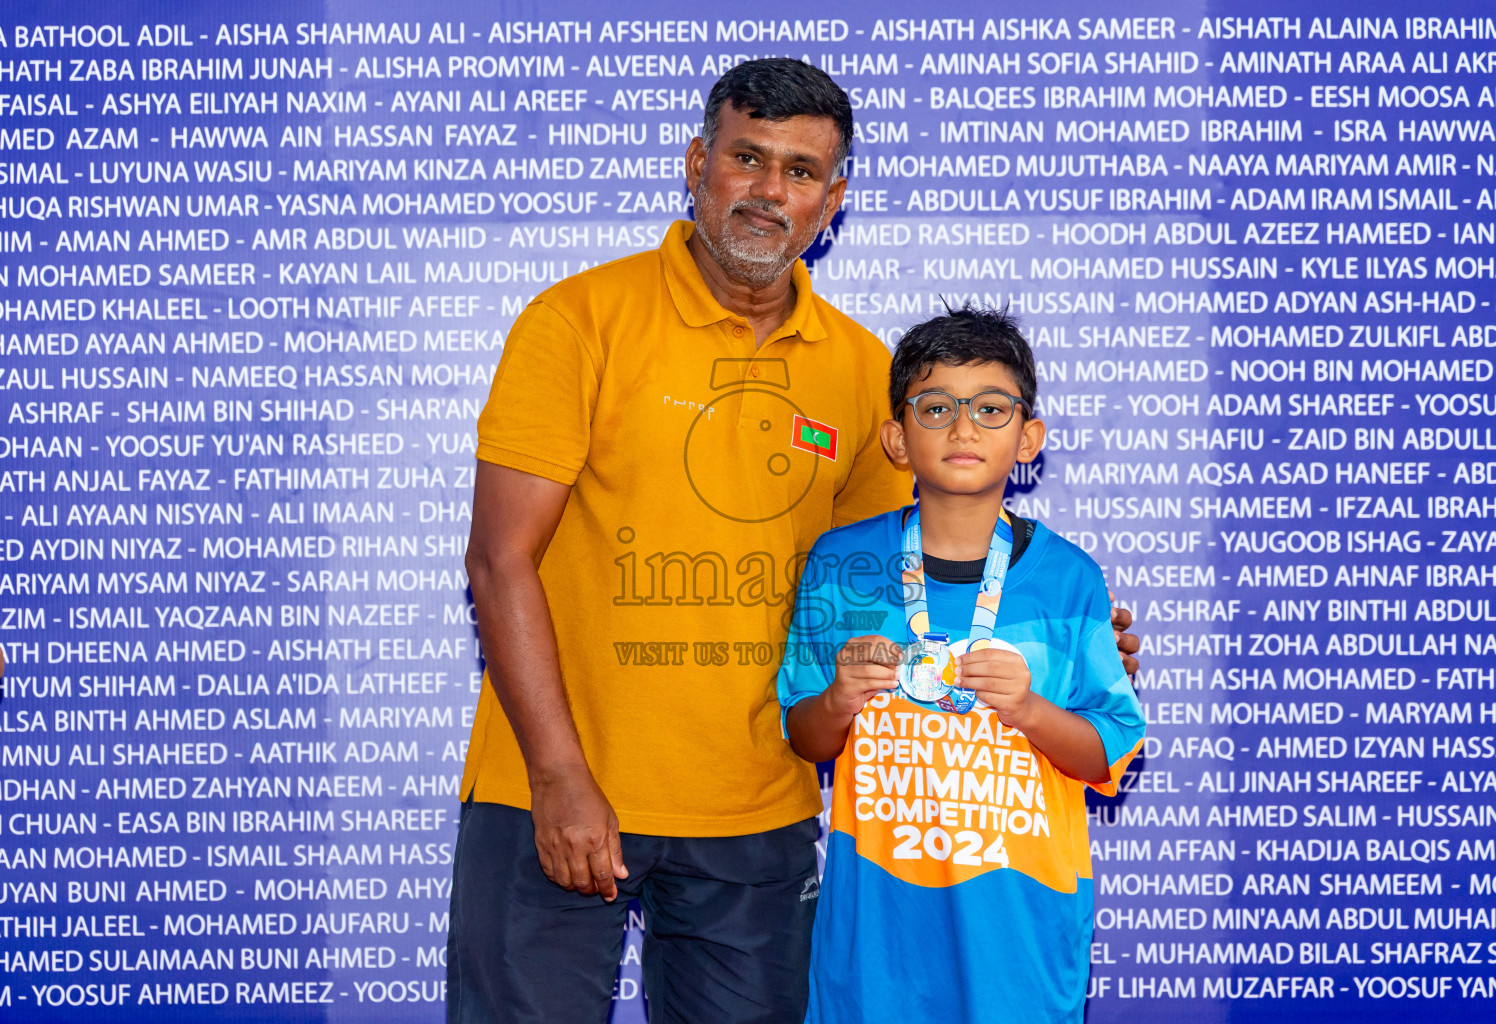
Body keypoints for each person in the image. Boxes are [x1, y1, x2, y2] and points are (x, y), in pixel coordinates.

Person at [452, 59, 1140, 1023]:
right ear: (698, 165)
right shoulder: (579, 320)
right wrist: (561, 777)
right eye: (747, 158)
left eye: (802, 171)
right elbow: (497, 560)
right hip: (555, 795)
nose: (770, 192)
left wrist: (1059, 630)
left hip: (758, 816)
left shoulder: (865, 373)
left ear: (834, 198)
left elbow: (889, 576)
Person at [778, 306, 1146, 1024]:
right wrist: (836, 700)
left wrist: (1032, 711)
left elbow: (1110, 747)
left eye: (990, 408)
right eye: (936, 406)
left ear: (1029, 437)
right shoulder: (840, 565)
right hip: (878, 932)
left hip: (1017, 934)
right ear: (896, 437)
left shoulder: (1070, 578)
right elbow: (804, 735)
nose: (963, 427)